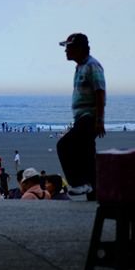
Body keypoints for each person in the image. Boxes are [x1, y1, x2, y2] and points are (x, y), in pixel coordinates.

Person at [56, 33, 106, 199]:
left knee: (64, 145)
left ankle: (77, 183)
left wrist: (99, 120)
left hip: (88, 117)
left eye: (68, 48)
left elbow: (100, 92)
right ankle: (94, 194)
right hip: (81, 118)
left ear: (78, 49)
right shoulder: (80, 67)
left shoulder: (93, 66)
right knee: (87, 157)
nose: (66, 52)